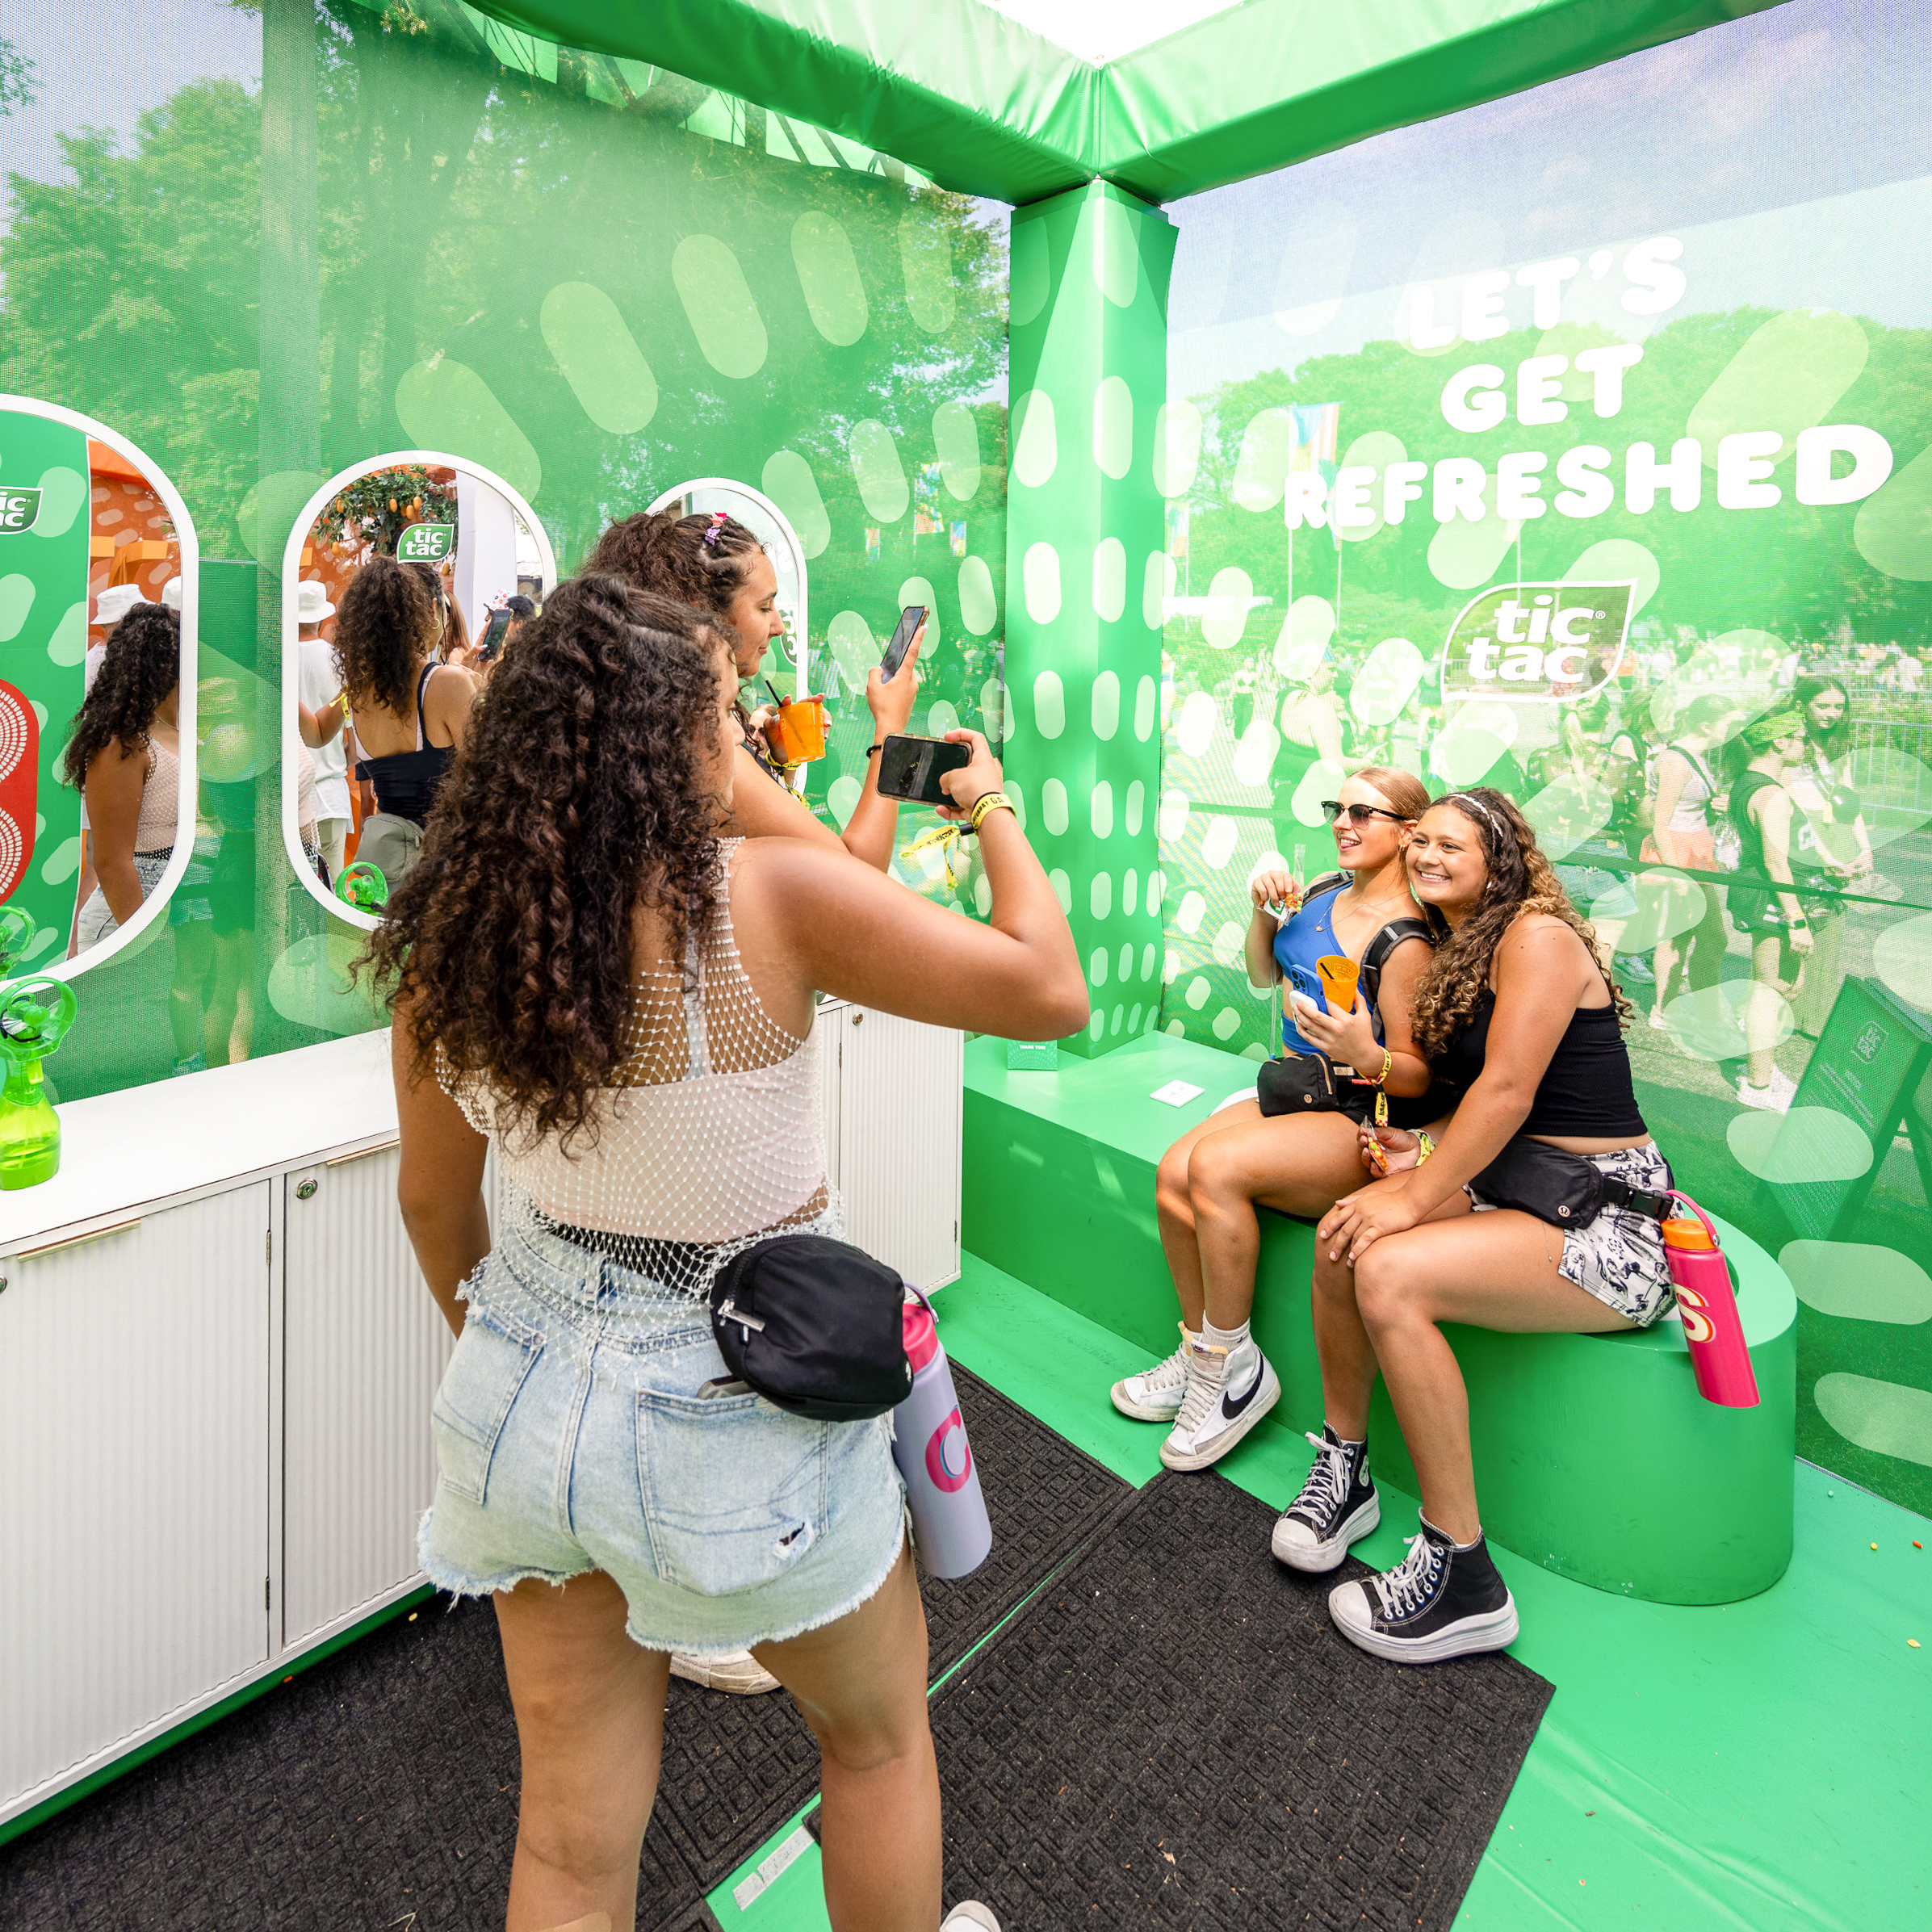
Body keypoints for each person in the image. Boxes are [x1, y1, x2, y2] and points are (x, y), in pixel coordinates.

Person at [369, 575, 1083, 1932]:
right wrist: (985, 802)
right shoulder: (771, 893)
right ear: (672, 738)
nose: (746, 736)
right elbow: (1047, 986)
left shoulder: (458, 935)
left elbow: (429, 1207)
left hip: (520, 1395)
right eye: (727, 717)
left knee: (572, 1843)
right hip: (735, 1399)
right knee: (871, 1743)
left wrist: (514, 1360)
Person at [1297, 788, 1673, 1662]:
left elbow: (1506, 1093)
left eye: (1448, 844)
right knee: (1340, 1235)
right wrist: (1416, 1144)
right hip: (1528, 1185)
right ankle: (1343, 1468)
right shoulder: (1466, 944)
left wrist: (1416, 1192)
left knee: (1388, 1268)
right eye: (1418, 840)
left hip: (1609, 1219)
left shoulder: (1536, 937)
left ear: (1499, 857)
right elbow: (1487, 1106)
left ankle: (1461, 1572)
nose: (1424, 855)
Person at [1113, 767, 1441, 1475]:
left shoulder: (1406, 940)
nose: (1342, 822)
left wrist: (1366, 1051)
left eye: (1363, 812)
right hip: (1295, 1086)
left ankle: (1231, 1373)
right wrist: (1262, 912)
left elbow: (1416, 1074)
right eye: (1337, 807)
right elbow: (1262, 973)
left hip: (1362, 1110)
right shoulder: (1320, 889)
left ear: (1407, 832)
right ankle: (1206, 1353)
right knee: (1174, 1172)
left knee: (1215, 1166)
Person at [583, 509, 920, 873]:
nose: (778, 625)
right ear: (704, 615)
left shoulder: (650, 719)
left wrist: (774, 762)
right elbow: (859, 873)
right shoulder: (703, 747)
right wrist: (890, 726)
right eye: (765, 606)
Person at [336, 554, 477, 882]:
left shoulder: (357, 693)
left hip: (383, 871)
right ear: (429, 610)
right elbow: (487, 778)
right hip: (443, 869)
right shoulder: (448, 683)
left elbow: (318, 735)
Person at [63, 602, 182, 953]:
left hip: (178, 921)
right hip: (126, 925)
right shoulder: (123, 744)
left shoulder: (185, 729)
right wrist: (145, 941)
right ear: (166, 665)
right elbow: (111, 862)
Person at [1724, 706, 1821, 1110]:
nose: (1804, 743)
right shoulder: (1772, 794)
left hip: (1761, 894)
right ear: (1779, 742)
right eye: (1798, 736)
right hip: (1771, 900)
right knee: (1772, 991)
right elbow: (1775, 861)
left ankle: (1764, 1063)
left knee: (1784, 988)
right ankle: (1758, 1084)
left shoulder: (1745, 783)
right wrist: (1796, 919)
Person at [1787, 675, 1874, 1041]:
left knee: (1830, 930)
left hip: (1835, 838)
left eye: (1838, 706)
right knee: (1795, 926)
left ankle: (1813, 1018)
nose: (1832, 713)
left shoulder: (1838, 744)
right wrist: (1822, 856)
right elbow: (1788, 807)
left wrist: (1864, 847)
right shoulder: (1789, 745)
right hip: (1799, 840)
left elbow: (1849, 802)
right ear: (1802, 705)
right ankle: (1784, 1011)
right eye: (1823, 705)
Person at [1641, 694, 1737, 1025]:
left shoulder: (1694, 756)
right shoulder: (1675, 762)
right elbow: (1660, 823)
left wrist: (1715, 805)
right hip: (1676, 855)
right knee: (1677, 937)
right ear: (1707, 724)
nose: (1733, 729)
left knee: (1712, 937)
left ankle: (1701, 1010)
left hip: (1694, 849)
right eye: (1729, 722)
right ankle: (1663, 1010)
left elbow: (1687, 805)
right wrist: (1678, 874)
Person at [295, 579, 354, 875]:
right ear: (321, 617)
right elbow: (354, 746)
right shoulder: (342, 662)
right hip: (331, 793)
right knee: (332, 894)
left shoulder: (275, 662)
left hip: (288, 798)